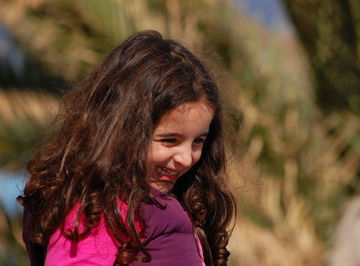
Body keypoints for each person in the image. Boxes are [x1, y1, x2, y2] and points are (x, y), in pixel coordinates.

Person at [18, 30, 236, 266]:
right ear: (122, 133)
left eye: (198, 141)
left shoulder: (169, 204)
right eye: (169, 140)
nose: (185, 158)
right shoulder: (99, 208)